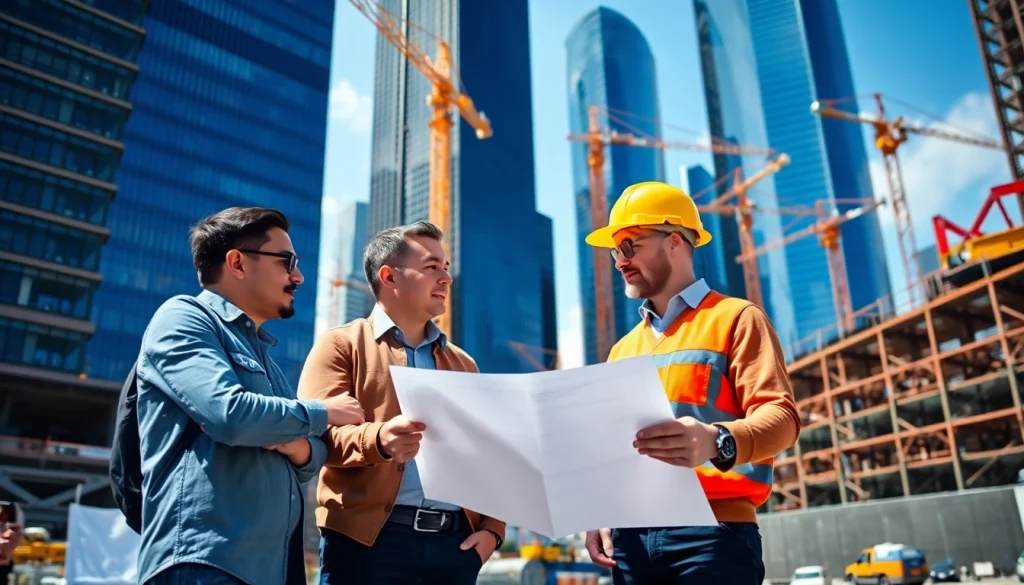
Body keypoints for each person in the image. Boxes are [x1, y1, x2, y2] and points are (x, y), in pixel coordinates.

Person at [582, 182, 801, 584]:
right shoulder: (621, 349)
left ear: (675, 241)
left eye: (630, 245)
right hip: (630, 542)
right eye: (616, 251)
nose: (620, 261)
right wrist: (600, 510)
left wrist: (717, 440)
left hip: (714, 536)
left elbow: (783, 418)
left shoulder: (736, 318)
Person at [135, 207, 366, 585]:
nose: (299, 276)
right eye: (286, 261)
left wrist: (300, 446)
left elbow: (308, 451)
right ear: (237, 263)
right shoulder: (182, 318)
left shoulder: (266, 359)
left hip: (269, 570)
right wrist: (324, 412)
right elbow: (229, 414)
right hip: (205, 564)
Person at [297, 220, 505, 584]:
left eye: (446, 267)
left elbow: (486, 458)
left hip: (454, 549)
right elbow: (314, 437)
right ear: (389, 277)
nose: (446, 278)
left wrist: (492, 533)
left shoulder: (465, 364)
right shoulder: (340, 345)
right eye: (431, 267)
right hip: (365, 546)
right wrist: (377, 440)